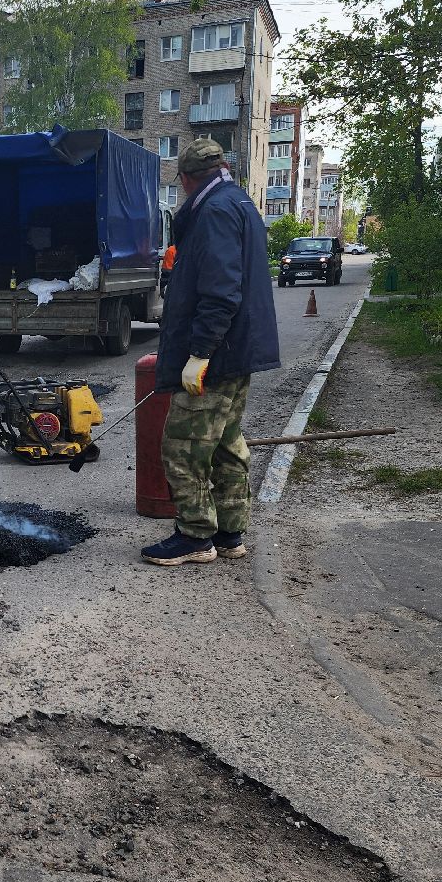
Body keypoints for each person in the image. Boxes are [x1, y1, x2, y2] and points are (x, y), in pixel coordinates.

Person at [144, 139, 281, 566]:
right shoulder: (239, 203)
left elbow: (221, 291)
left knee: (184, 447)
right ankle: (229, 533)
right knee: (224, 443)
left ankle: (195, 536)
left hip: (217, 355)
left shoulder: (215, 211)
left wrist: (200, 353)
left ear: (186, 179)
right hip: (236, 350)